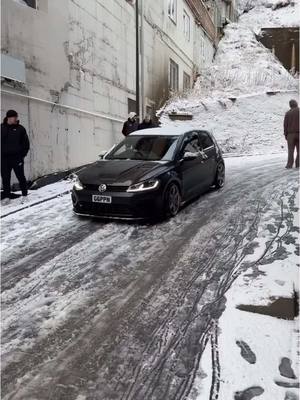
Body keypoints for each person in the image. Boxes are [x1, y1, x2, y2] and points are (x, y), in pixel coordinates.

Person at [1, 110, 30, 200]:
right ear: (9, 117)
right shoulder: (1, 128)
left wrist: (21, 156)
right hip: (4, 158)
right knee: (5, 178)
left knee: (21, 177)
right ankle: (6, 196)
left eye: (16, 117)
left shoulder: (20, 129)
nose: (16, 119)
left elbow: (26, 144)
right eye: (15, 117)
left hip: (17, 158)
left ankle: (25, 195)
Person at [284, 99, 299, 169]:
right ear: (296, 103)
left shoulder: (287, 113)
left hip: (290, 135)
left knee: (290, 151)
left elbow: (285, 125)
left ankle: (289, 165)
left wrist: (286, 134)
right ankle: (298, 164)